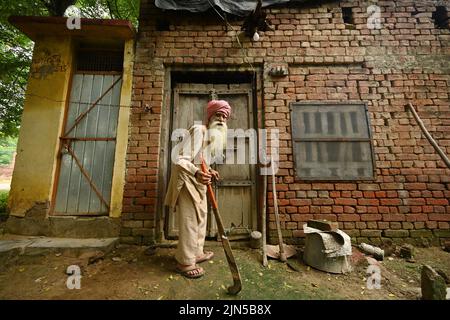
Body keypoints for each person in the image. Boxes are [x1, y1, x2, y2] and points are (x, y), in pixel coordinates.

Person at [164, 99, 232, 278]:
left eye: (225, 116)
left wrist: (210, 171)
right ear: (209, 116)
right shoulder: (199, 131)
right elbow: (180, 159)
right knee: (190, 222)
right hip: (187, 181)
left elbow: (200, 159)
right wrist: (196, 173)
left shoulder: (212, 136)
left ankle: (197, 252)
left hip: (200, 183)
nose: (222, 119)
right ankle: (185, 262)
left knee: (201, 219)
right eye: (218, 114)